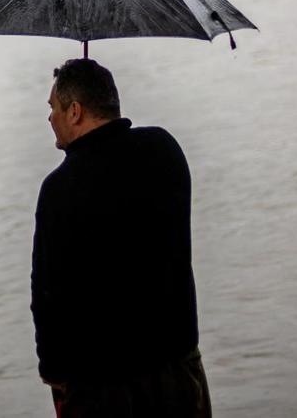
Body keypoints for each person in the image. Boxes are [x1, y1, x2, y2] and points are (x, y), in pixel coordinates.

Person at [31, 58, 211, 418]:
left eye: (53, 107)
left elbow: (48, 294)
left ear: (76, 111)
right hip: (177, 369)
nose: (50, 118)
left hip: (102, 386)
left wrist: (53, 373)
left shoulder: (59, 188)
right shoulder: (165, 149)